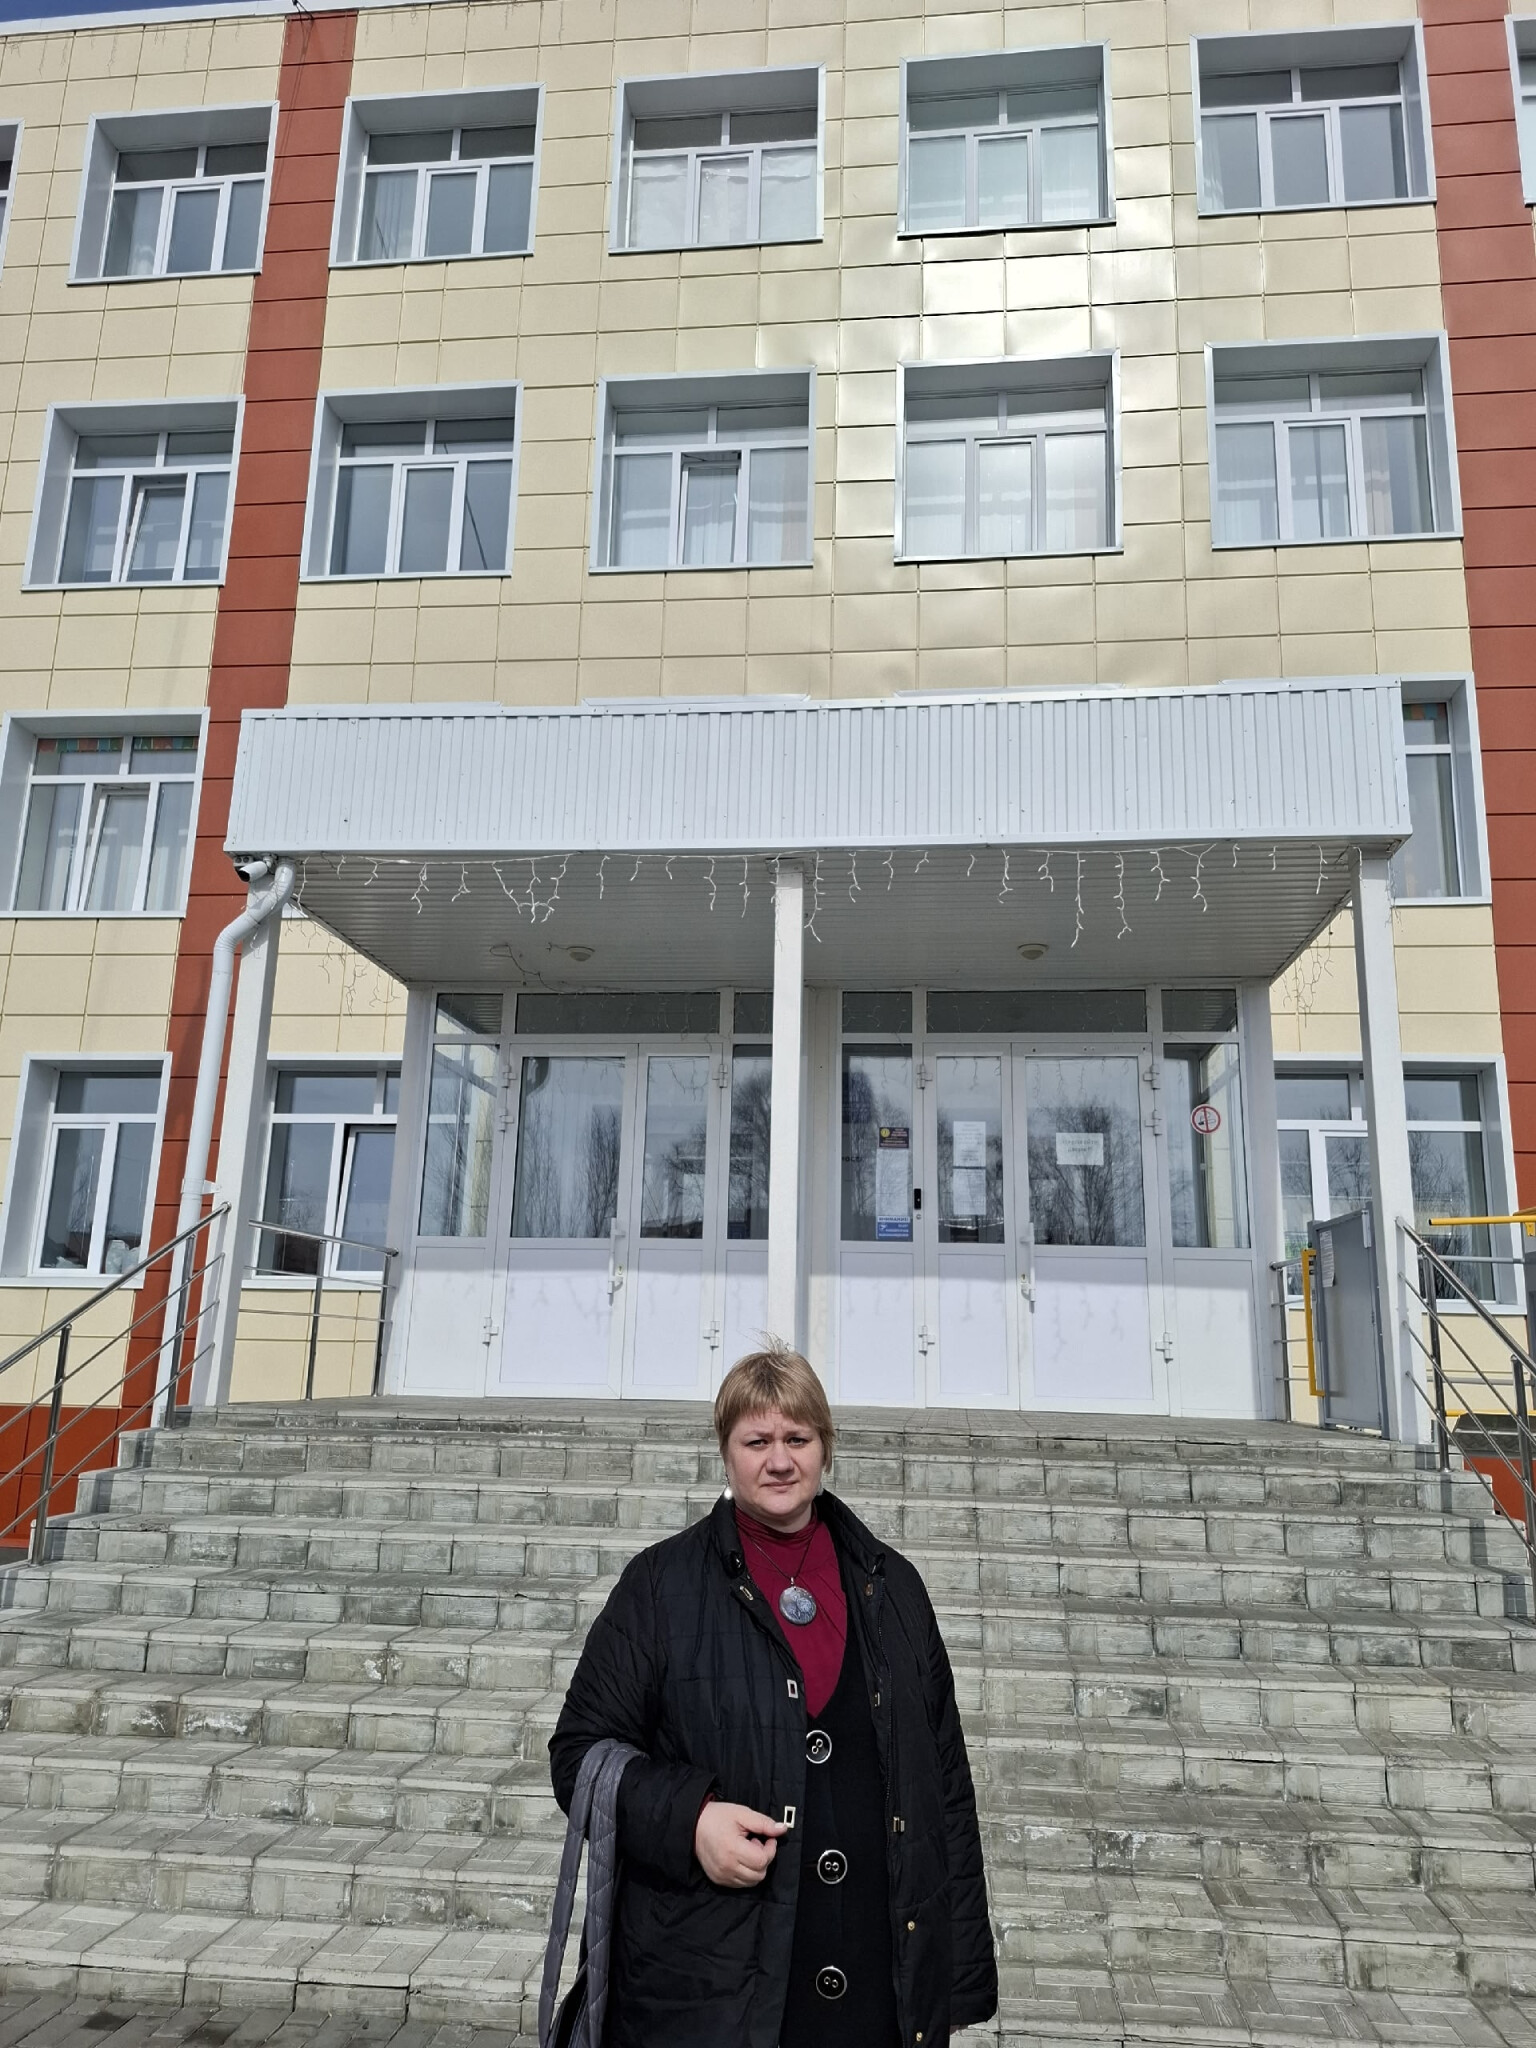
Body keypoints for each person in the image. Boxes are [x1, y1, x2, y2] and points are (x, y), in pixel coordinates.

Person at [549, 1347, 998, 2048]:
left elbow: (945, 1786)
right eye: (757, 1441)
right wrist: (691, 1821)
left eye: (798, 1439)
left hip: (877, 1990)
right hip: (712, 1989)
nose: (780, 1461)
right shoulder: (660, 1587)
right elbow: (578, 1754)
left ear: (826, 1448)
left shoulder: (894, 1586)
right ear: (725, 1453)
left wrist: (956, 1978)